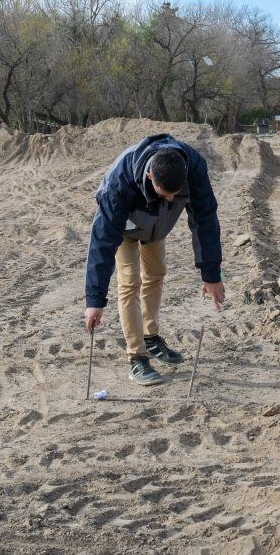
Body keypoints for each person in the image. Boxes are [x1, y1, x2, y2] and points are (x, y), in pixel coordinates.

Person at [84, 134, 225, 386]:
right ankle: (136, 357)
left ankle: (150, 337)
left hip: (157, 228)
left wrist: (211, 276)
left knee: (157, 273)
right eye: (165, 193)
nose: (171, 198)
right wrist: (94, 301)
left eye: (176, 193)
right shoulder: (119, 183)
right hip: (124, 229)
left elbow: (205, 220)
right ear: (150, 176)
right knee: (130, 282)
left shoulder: (193, 166)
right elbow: (102, 243)